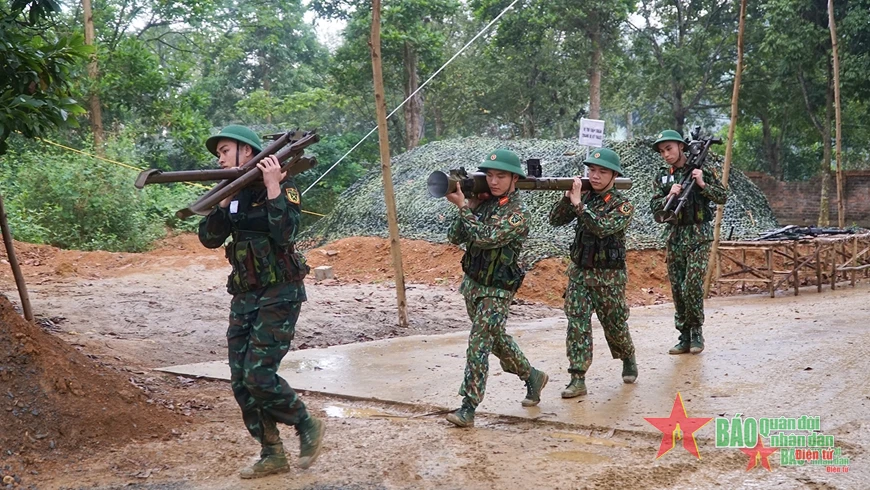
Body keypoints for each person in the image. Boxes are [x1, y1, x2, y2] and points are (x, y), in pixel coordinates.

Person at [198, 125, 325, 478]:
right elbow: (209, 239)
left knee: (259, 374)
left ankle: (306, 423)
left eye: (225, 150)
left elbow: (286, 234)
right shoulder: (232, 192)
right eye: (219, 154)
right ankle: (272, 452)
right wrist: (222, 203)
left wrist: (272, 189)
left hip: (279, 293)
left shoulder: (283, 184)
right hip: (244, 295)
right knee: (240, 379)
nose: (220, 158)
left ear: (247, 151)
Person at [443, 149, 549, 428]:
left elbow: (486, 238)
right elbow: (455, 237)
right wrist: (471, 205)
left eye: (501, 176)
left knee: (478, 343)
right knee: (496, 341)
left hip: (498, 291)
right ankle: (532, 376)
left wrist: (464, 208)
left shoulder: (518, 214)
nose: (493, 181)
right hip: (474, 285)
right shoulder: (484, 203)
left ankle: (468, 406)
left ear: (515, 178)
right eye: (489, 175)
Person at [548, 148, 638, 398]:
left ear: (614, 176)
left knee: (615, 324)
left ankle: (627, 355)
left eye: (602, 171)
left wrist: (579, 205)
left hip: (608, 277)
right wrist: (569, 199)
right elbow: (554, 220)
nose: (595, 176)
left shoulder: (623, 205)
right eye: (592, 170)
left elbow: (601, 227)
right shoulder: (583, 197)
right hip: (579, 274)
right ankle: (577, 377)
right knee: (577, 323)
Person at [650, 130, 727, 355]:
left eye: (669, 149)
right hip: (674, 236)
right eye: (662, 151)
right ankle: (683, 335)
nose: (666, 154)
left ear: (681, 147)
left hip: (699, 234)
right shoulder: (662, 176)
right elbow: (655, 210)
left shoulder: (700, 169)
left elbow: (722, 196)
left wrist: (702, 184)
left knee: (692, 285)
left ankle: (696, 332)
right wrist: (667, 196)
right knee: (677, 288)